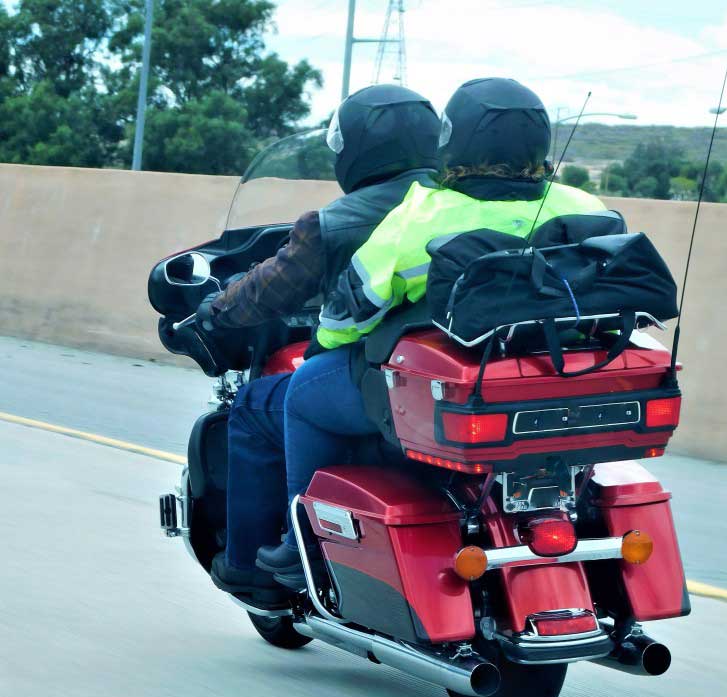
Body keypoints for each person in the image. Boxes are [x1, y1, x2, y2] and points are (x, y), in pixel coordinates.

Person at [254, 77, 610, 575]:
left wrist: (324, 346)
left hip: (458, 387)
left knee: (304, 391)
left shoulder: (422, 215)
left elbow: (352, 309)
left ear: (453, 139)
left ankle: (302, 545)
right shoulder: (587, 208)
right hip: (561, 382)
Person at [198, 84, 442, 599]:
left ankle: (256, 563)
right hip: (450, 372)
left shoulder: (335, 223)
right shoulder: (456, 205)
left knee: (256, 406)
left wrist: (217, 310)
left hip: (376, 378)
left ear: (354, 149)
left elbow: (270, 288)